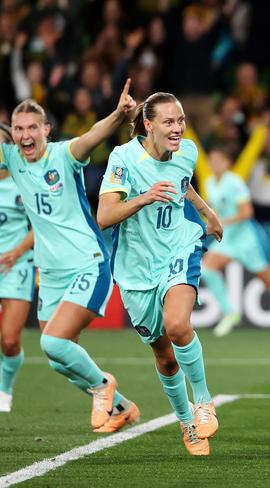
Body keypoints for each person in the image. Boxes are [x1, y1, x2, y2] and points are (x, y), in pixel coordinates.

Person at [0, 83, 138, 432]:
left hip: (87, 263)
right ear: (12, 134)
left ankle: (104, 387)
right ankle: (122, 407)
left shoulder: (63, 154)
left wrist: (118, 115)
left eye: (33, 127)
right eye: (19, 129)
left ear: (46, 130)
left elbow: (93, 135)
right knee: (59, 358)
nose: (26, 134)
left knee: (52, 341)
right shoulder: (13, 158)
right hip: (50, 274)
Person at [97, 91, 223, 456]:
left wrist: (206, 212)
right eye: (169, 121)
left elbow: (183, 185)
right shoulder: (123, 159)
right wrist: (143, 197)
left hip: (178, 248)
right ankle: (187, 424)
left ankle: (202, 401)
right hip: (136, 269)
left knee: (178, 324)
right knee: (165, 356)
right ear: (148, 125)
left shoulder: (188, 151)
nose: (178, 128)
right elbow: (105, 217)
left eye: (181, 120)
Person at [202, 147, 270, 343]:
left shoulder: (234, 182)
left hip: (248, 239)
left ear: (227, 163)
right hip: (228, 239)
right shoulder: (209, 182)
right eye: (211, 160)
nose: (214, 163)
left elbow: (247, 212)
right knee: (207, 269)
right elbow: (213, 209)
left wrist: (222, 222)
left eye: (218, 159)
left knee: (269, 280)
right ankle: (230, 313)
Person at [0, 123, 34, 412]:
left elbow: (41, 224)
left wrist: (18, 251)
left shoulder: (24, 182)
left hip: (17, 265)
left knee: (10, 341)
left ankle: (5, 389)